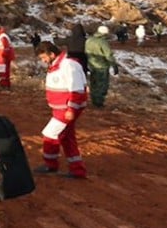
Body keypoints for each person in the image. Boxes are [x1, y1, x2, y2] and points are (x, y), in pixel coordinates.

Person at [34, 41, 88, 178]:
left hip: (66, 110)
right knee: (66, 137)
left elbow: (77, 89)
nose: (43, 61)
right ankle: (77, 169)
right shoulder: (57, 65)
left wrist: (71, 109)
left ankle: (51, 164)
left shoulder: (68, 66)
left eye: (43, 58)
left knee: (50, 134)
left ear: (52, 54)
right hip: (61, 109)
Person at [85, 25, 119, 108]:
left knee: (94, 83)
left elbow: (86, 52)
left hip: (92, 65)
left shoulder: (89, 40)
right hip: (102, 66)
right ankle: (99, 102)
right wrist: (114, 66)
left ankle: (94, 100)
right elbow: (108, 55)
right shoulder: (103, 42)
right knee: (102, 84)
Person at [0, 25, 15, 89]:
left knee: (2, 72)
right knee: (4, 72)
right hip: (1, 58)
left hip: (2, 59)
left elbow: (6, 48)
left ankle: (4, 85)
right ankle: (5, 85)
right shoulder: (1, 37)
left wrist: (2, 55)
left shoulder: (3, 37)